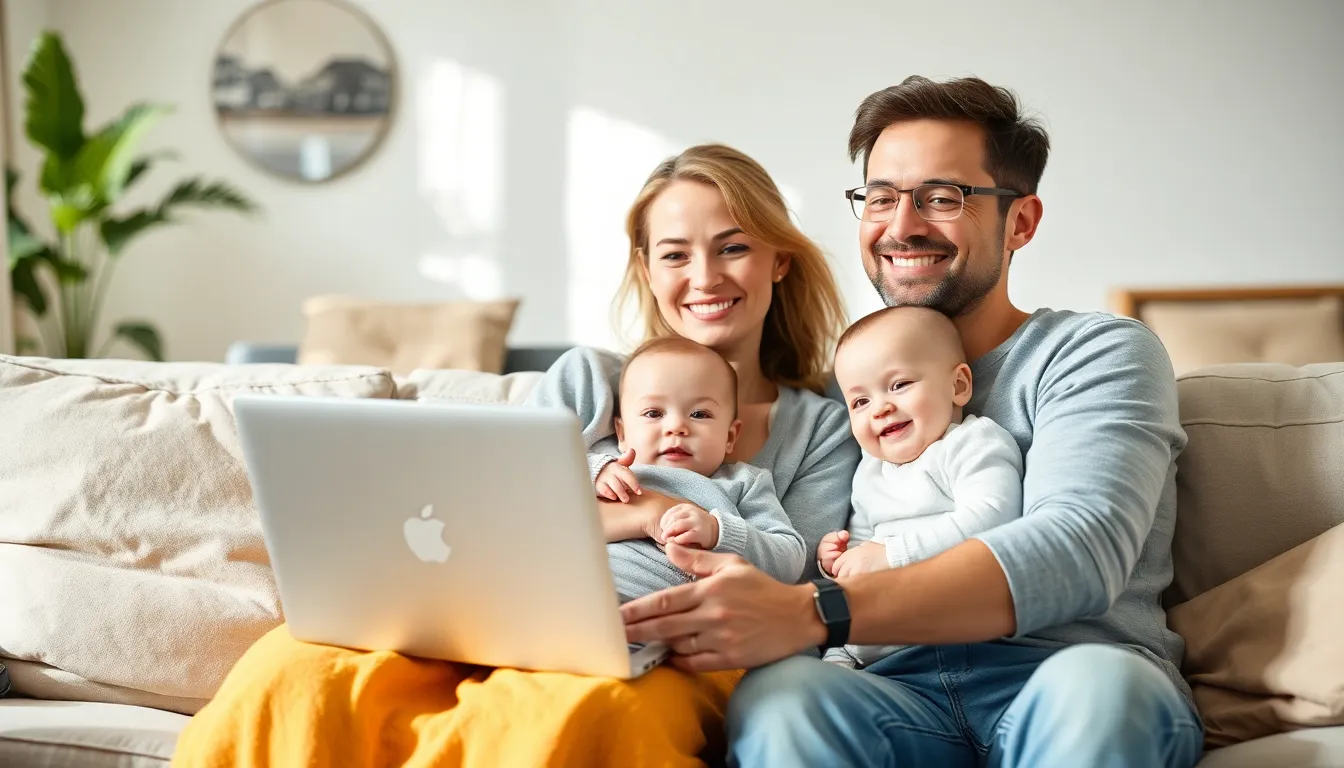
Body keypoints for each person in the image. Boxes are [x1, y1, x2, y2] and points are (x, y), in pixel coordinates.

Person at [172, 143, 858, 768]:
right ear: (647, 270)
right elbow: (490, 515)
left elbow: (796, 594)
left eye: (732, 247)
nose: (704, 277)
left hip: (674, 652)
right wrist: (639, 513)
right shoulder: (591, 379)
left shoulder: (820, 428)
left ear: (780, 260)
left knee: (576, 716)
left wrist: (686, 528)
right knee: (296, 672)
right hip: (506, 617)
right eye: (675, 254)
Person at [622, 76, 1205, 768]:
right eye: (880, 197)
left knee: (1102, 690)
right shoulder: (840, 404)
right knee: (782, 697)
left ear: (1020, 221)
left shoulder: (1092, 352)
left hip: (1063, 673)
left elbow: (1079, 548)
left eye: (943, 197)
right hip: (894, 690)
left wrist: (818, 609)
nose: (902, 226)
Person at [817, 305, 1023, 669]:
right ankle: (840, 662)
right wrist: (839, 560)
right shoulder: (870, 469)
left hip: (956, 638)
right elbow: (865, 540)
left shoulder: (970, 443)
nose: (880, 408)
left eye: (899, 385)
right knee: (834, 641)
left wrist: (892, 555)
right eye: (860, 401)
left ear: (958, 386)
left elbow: (993, 515)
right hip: (876, 648)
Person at [592, 336, 806, 601]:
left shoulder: (745, 483)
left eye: (699, 414)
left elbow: (790, 560)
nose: (676, 427)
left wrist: (718, 532)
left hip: (679, 614)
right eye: (653, 413)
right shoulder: (607, 466)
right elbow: (547, 499)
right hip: (587, 592)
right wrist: (594, 471)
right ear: (621, 433)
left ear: (730, 437)